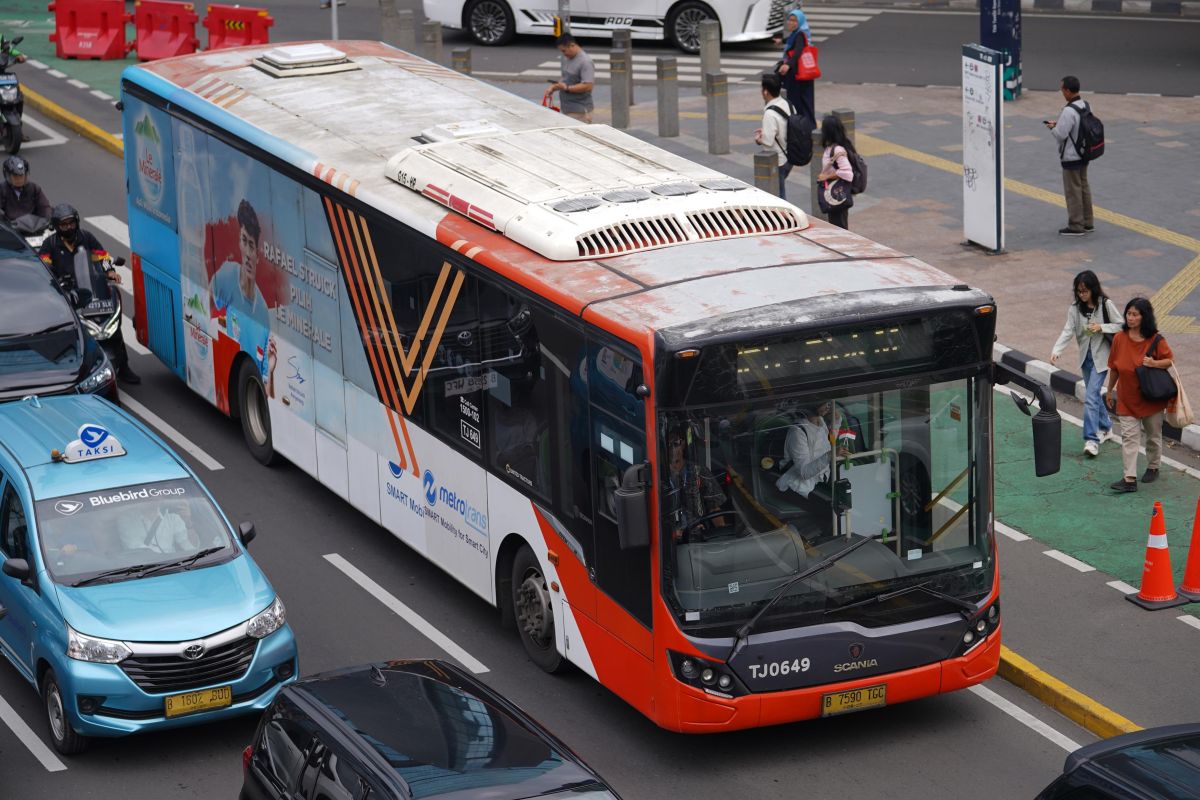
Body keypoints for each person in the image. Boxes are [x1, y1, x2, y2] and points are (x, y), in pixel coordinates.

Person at [38, 204, 140, 384]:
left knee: (114, 329)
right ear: (56, 226)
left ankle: (124, 367)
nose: (69, 227)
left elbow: (102, 256)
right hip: (67, 295)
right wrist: (55, 280)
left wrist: (110, 271)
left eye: (71, 223)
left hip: (91, 291)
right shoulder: (50, 244)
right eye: (64, 225)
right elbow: (44, 266)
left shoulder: (87, 237)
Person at [1102, 298, 1173, 493]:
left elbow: (1169, 360)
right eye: (1128, 314)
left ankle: (1153, 466)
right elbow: (1114, 367)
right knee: (1129, 437)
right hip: (1127, 398)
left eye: (1135, 314)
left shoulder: (1156, 339)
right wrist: (1110, 389)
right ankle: (1129, 479)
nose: (1130, 318)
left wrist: (1154, 363)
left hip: (1151, 398)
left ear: (1144, 317)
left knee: (1153, 436)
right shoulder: (1119, 338)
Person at [1050, 270, 1122, 456]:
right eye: (1079, 291)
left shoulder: (1105, 305)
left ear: (1093, 289)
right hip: (1085, 358)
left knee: (1090, 397)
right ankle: (1106, 427)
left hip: (1102, 359)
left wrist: (1101, 327)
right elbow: (1068, 330)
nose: (1082, 295)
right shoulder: (1075, 308)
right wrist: (1057, 350)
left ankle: (1091, 439)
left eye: (1085, 291)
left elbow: (1122, 325)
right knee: (1094, 395)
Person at [209, 198, 276, 397]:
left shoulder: (263, 314)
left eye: (252, 245)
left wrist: (271, 370)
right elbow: (203, 306)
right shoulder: (226, 276)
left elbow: (266, 394)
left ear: (258, 255)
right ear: (239, 243)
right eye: (244, 241)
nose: (247, 252)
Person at [1044, 75, 1094, 236]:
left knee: (1073, 191)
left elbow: (1061, 135)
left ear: (1067, 90)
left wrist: (1052, 127)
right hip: (1084, 153)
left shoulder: (1068, 111)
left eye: (1062, 89)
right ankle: (1088, 222)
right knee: (1084, 188)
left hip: (1071, 156)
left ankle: (1076, 225)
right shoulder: (1086, 105)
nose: (1061, 92)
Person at [664, 425, 728, 543]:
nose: (672, 449)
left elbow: (714, 507)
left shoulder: (700, 471)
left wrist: (722, 536)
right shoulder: (659, 476)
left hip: (699, 536)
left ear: (683, 444)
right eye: (668, 445)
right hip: (669, 542)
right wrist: (672, 532)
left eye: (675, 444)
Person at [755, 73, 793, 200]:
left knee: (778, 196)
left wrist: (759, 139)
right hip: (790, 155)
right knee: (779, 191)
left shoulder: (770, 113)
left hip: (778, 160)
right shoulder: (787, 103)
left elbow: (768, 141)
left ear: (766, 92)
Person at [774, 8, 815, 124]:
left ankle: (802, 125)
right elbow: (790, 41)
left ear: (800, 22)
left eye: (794, 21)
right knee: (802, 100)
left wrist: (787, 65)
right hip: (798, 74)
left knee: (799, 101)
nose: (791, 23)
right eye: (790, 20)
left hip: (798, 75)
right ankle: (804, 124)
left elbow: (798, 52)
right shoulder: (796, 33)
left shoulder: (800, 35)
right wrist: (781, 41)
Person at [816, 115, 856, 230]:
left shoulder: (837, 150)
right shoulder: (831, 147)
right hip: (834, 194)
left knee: (840, 228)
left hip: (838, 195)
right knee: (836, 226)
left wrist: (826, 176)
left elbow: (848, 173)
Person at [549, 35, 594, 124]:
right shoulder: (568, 58)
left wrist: (567, 88)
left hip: (580, 111)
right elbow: (566, 79)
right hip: (568, 109)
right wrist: (554, 87)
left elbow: (588, 86)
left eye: (564, 51)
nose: (563, 54)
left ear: (572, 45)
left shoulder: (585, 62)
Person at [0, 155, 51, 233]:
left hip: (34, 228)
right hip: (11, 230)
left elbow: (44, 207)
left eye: (21, 176)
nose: (19, 180)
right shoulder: (2, 189)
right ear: (8, 176)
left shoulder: (34, 188)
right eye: (15, 176)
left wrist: (47, 220)